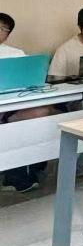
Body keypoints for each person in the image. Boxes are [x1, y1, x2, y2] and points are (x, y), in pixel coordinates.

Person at [0, 13, 51, 192]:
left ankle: (28, 167)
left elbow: (29, 81)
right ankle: (17, 174)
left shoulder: (16, 54)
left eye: (3, 29)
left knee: (42, 112)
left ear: (8, 34)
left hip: (14, 106)